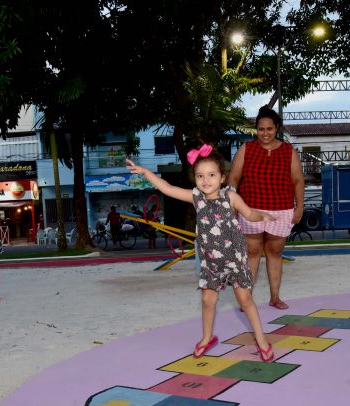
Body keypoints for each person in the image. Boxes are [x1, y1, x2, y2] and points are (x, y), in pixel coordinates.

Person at [125, 145, 277, 361]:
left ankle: (261, 340)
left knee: (245, 300)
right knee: (207, 301)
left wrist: (262, 216)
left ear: (222, 177)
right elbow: (167, 188)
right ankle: (207, 338)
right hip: (211, 261)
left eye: (212, 175)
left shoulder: (230, 197)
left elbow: (249, 213)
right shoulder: (196, 198)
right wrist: (146, 173)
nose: (206, 180)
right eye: (200, 176)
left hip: (234, 258)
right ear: (195, 178)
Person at [228, 105, 305, 310]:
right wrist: (234, 204)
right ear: (256, 130)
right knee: (252, 253)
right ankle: (247, 300)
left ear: (276, 128)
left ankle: (275, 297)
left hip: (282, 209)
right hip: (251, 209)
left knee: (275, 252)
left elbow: (298, 180)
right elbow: (234, 178)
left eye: (269, 129)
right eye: (261, 129)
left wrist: (300, 207)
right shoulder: (246, 149)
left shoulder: (288, 150)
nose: (265, 133)